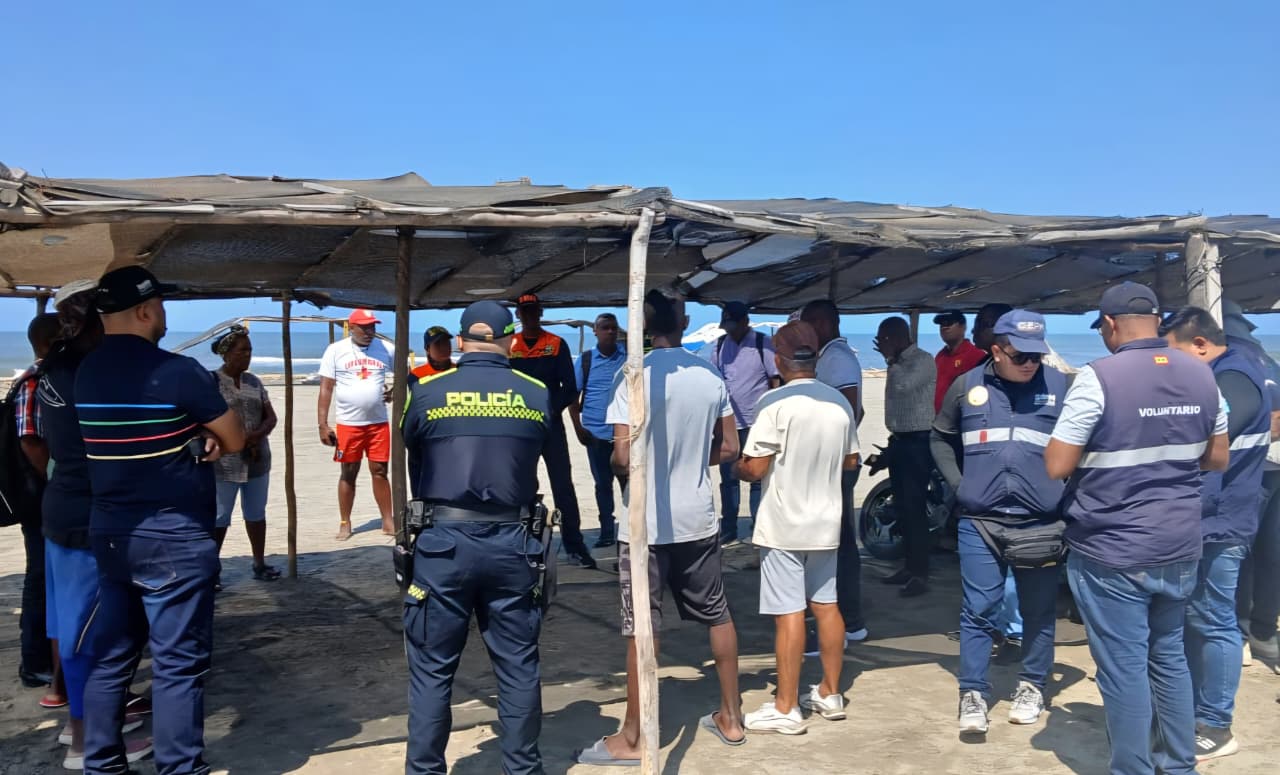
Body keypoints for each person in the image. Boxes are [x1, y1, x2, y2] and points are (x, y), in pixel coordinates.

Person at [1045, 281, 1228, 775]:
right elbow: (1217, 458)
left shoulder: (1098, 377)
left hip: (1113, 548)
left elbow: (1057, 464)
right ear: (1157, 319)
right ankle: (1179, 765)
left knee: (1124, 668)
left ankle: (1132, 768)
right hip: (1179, 541)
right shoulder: (1202, 373)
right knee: (1169, 658)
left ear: (1108, 325)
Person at [78, 265, 245, 775]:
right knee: (177, 664)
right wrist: (203, 438)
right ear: (147, 311)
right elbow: (235, 437)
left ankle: (102, 763)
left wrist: (189, 437)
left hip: (109, 531)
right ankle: (179, 767)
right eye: (163, 307)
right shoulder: (179, 371)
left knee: (112, 655)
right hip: (171, 531)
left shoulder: (86, 372)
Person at [576, 290, 743, 765]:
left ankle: (633, 735)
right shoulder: (708, 374)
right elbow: (729, 448)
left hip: (644, 522)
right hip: (697, 518)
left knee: (642, 628)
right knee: (718, 614)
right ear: (685, 320)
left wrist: (626, 458)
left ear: (641, 327)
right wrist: (692, 459)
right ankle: (731, 715)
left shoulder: (634, 376)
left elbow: (624, 457)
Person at [399, 300, 551, 775]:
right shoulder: (536, 392)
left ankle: (425, 771)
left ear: (461, 342)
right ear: (509, 340)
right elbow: (553, 467)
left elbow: (414, 455)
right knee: (518, 665)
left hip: (442, 542)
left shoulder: (426, 390)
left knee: (431, 667)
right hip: (515, 542)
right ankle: (523, 769)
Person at [932, 310, 1068, 734]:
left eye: (1037, 356)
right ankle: (973, 693)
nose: (1030, 363)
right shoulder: (967, 386)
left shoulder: (1062, 388)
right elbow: (939, 437)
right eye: (1021, 355)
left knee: (1038, 612)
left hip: (1041, 523)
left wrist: (1067, 495)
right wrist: (959, 485)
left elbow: (1087, 446)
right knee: (978, 609)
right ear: (997, 349)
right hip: (980, 521)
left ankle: (1032, 684)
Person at [37, 281, 153, 769]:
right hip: (88, 512)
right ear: (92, 321)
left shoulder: (52, 368)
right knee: (92, 630)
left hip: (60, 506)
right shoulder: (86, 371)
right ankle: (88, 741)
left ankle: (79, 725)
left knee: (68, 623)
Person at [735, 321, 860, 734]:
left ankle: (786, 706)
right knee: (827, 606)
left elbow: (754, 468)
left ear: (779, 359)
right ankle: (829, 691)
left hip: (785, 523)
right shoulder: (838, 403)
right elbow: (851, 461)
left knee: (788, 613)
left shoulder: (775, 403)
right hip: (827, 520)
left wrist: (737, 465)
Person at [1160, 306, 1271, 759]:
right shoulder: (1226, 373)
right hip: (1206, 520)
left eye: (1175, 355)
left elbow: (1205, 441)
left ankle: (1217, 724)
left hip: (1222, 522)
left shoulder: (1233, 380)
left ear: (1200, 344)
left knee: (1215, 620)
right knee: (1195, 618)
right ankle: (1192, 711)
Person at [510, 292, 595, 568]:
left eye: (534, 311)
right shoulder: (510, 346)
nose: (530, 315)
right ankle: (524, 540)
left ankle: (574, 544)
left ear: (540, 312)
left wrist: (547, 410)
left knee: (563, 485)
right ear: (518, 315)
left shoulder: (556, 344)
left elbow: (569, 388)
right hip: (520, 428)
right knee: (520, 485)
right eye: (525, 312)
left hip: (550, 425)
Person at [801, 299, 868, 644]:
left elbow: (850, 410)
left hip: (836, 463)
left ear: (822, 324)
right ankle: (847, 620)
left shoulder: (837, 359)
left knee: (836, 544)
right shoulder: (830, 357)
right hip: (836, 459)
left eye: (808, 325)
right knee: (837, 541)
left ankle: (846, 620)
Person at [1222, 300, 1280, 667]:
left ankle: (1238, 629)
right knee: (1272, 554)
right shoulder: (1267, 360)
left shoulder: (1232, 365)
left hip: (1252, 467)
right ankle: (1265, 632)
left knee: (1238, 550)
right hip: (1278, 466)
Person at [705, 301, 781, 544]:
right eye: (726, 325)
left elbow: (775, 380)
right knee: (728, 480)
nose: (730, 330)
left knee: (757, 477)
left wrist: (773, 416)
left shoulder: (762, 344)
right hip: (729, 425)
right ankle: (729, 528)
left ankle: (759, 525)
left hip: (757, 423)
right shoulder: (719, 346)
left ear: (745, 322)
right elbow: (715, 383)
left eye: (733, 325)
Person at [210, 325, 280, 584]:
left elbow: (270, 417)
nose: (247, 355)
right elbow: (207, 420)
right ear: (226, 354)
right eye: (242, 351)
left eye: (250, 350)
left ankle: (259, 562)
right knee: (219, 516)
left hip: (257, 460)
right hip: (224, 463)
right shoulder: (213, 382)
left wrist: (254, 437)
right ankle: (212, 568)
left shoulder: (254, 382)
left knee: (256, 512)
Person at [317, 308, 396, 540]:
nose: (369, 331)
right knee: (348, 472)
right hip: (349, 424)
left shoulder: (386, 349)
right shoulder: (336, 350)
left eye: (372, 326)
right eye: (364, 327)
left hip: (378, 423)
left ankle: (388, 519)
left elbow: (404, 372)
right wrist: (322, 424)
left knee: (380, 471)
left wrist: (393, 391)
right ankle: (345, 521)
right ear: (351, 328)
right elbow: (326, 388)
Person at [873, 316, 937, 597]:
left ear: (898, 337)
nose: (880, 345)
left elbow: (902, 388)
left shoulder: (922, 360)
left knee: (914, 508)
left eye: (883, 339)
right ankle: (909, 566)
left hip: (918, 441)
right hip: (900, 441)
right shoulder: (898, 363)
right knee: (902, 507)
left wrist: (889, 361)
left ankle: (920, 572)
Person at [13, 312, 59, 691]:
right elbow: (31, 439)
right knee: (41, 575)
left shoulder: (46, 379)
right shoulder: (36, 382)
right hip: (39, 495)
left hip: (44, 492)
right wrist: (52, 483)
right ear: (50, 341)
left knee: (48, 574)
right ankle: (34, 661)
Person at [569, 313, 627, 548]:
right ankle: (606, 531)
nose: (610, 332)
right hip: (595, 434)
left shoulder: (628, 358)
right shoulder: (586, 360)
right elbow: (573, 398)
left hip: (624, 434)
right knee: (602, 485)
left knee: (628, 485)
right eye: (605, 328)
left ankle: (627, 531)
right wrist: (578, 428)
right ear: (596, 330)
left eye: (613, 328)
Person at [932, 310, 986, 412]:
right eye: (941, 324)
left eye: (949, 323)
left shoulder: (976, 356)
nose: (944, 327)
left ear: (963, 327)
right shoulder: (940, 356)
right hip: (939, 419)